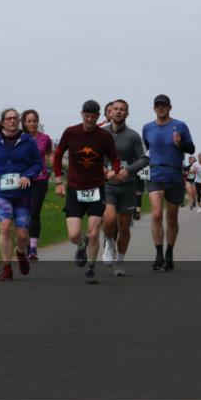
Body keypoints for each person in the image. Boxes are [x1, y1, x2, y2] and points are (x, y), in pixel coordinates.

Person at [53, 100, 121, 284]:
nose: (90, 119)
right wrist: (59, 181)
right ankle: (81, 245)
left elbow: (115, 158)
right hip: (75, 189)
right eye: (87, 115)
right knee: (74, 235)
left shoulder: (104, 137)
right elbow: (58, 156)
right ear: (81, 114)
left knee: (94, 232)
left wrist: (115, 170)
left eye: (93, 116)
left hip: (96, 189)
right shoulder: (71, 132)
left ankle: (90, 269)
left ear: (99, 116)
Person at [0, 109, 45, 281]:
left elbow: (38, 164)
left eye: (15, 118)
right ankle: (6, 268)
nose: (12, 121)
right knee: (4, 228)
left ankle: (20, 253)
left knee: (22, 235)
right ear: (2, 122)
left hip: (23, 194)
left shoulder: (28, 141)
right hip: (1, 193)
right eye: (9, 119)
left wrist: (28, 175)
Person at [142, 94, 195, 272]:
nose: (161, 108)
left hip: (174, 175)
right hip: (155, 174)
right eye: (158, 105)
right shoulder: (147, 128)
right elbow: (145, 150)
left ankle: (169, 253)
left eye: (164, 105)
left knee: (171, 218)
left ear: (170, 107)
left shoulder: (180, 126)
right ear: (154, 108)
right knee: (156, 214)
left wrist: (180, 144)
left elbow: (191, 148)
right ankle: (158, 255)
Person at [101, 99, 149, 276]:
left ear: (127, 113)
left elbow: (144, 159)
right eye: (116, 109)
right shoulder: (101, 134)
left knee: (124, 226)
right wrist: (104, 171)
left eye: (122, 109)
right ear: (110, 112)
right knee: (109, 218)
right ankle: (108, 243)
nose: (119, 112)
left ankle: (119, 262)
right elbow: (94, 157)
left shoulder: (133, 136)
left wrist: (127, 171)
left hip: (128, 186)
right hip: (108, 185)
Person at [21, 109, 53, 261]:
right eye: (29, 121)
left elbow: (48, 155)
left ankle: (33, 248)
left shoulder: (45, 138)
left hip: (40, 180)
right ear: (24, 123)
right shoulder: (20, 139)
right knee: (24, 214)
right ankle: (25, 244)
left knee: (34, 212)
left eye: (34, 121)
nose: (32, 124)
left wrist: (48, 167)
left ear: (38, 122)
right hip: (22, 181)